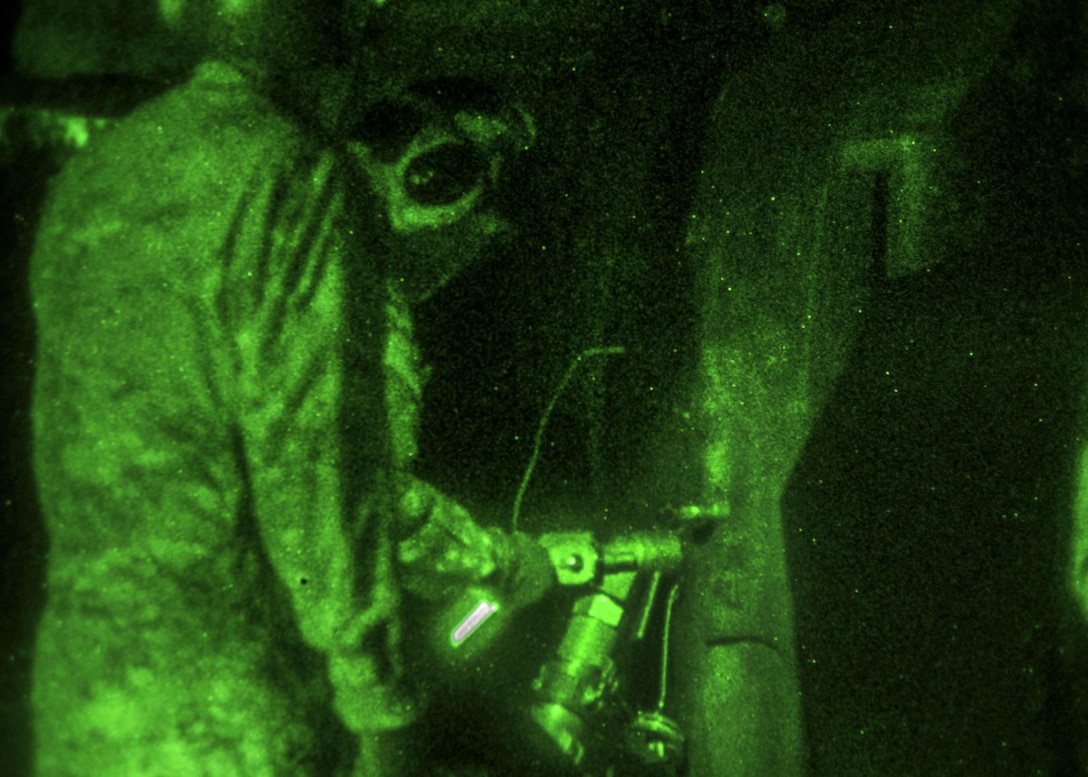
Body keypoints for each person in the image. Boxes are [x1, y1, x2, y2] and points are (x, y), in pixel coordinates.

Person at [28, 3, 543, 775]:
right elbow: (343, 484)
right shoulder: (299, 188)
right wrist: (489, 562)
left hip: (87, 701)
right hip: (227, 716)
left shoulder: (101, 173)